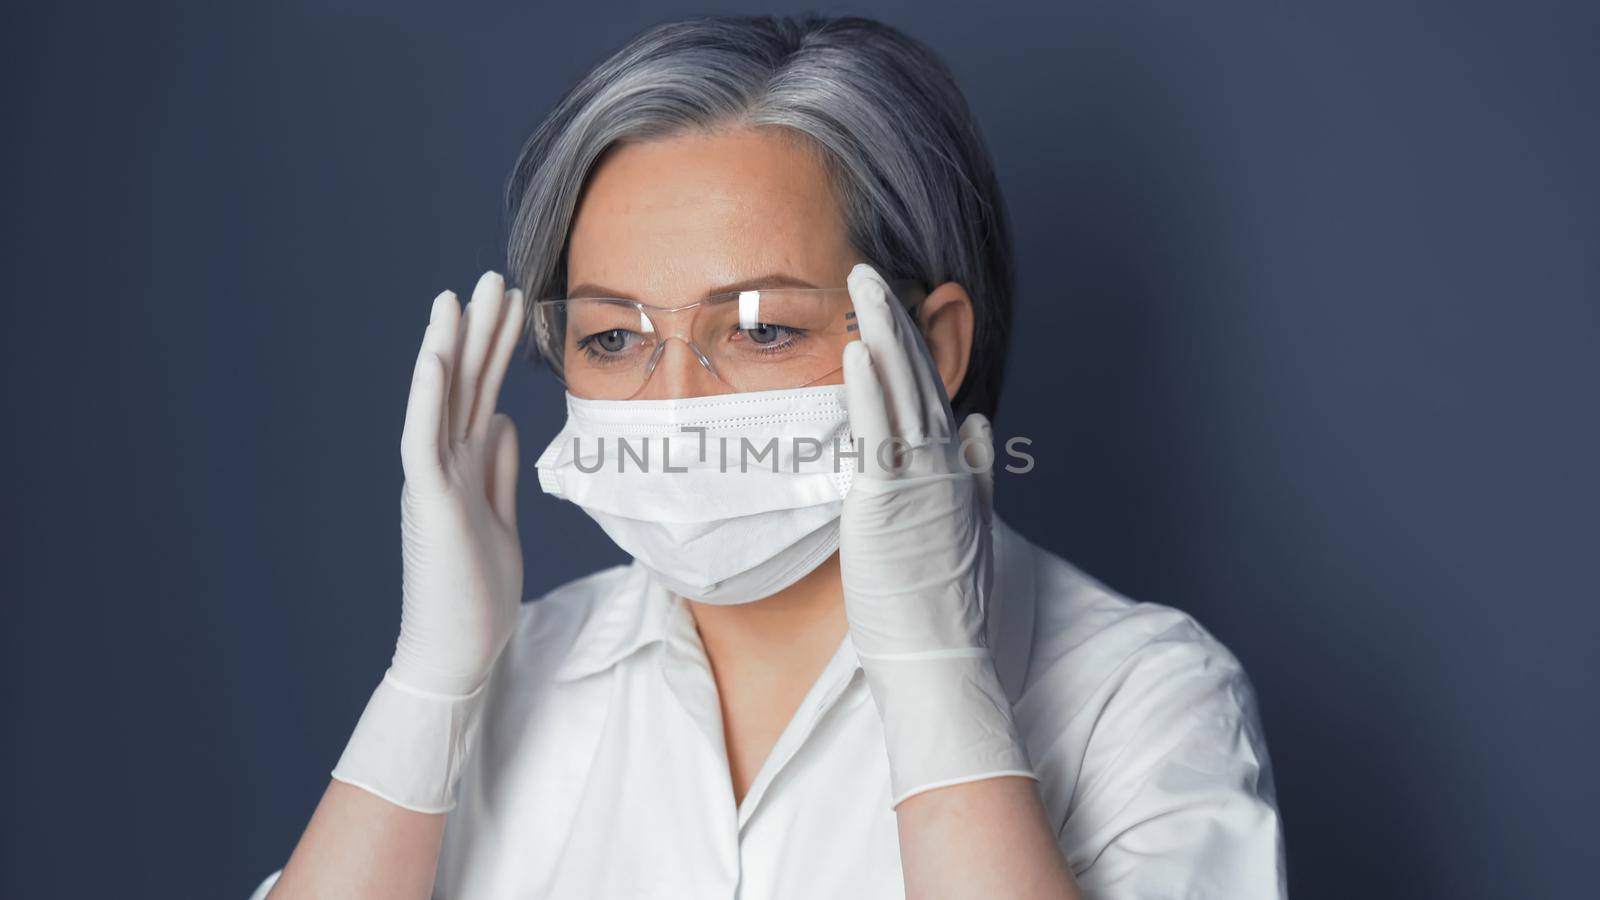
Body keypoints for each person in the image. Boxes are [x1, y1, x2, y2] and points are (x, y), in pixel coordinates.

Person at [253, 14, 1284, 899]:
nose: (674, 402)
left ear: (930, 348)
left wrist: (934, 683)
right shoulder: (506, 687)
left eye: (759, 328)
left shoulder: (1137, 699)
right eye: (612, 338)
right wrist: (427, 687)